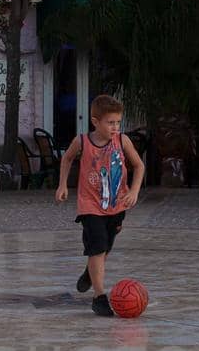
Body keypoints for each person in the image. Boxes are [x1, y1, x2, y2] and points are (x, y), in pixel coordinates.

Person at [55, 94, 145, 316]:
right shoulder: (82, 141)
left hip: (116, 207)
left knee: (105, 248)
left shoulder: (123, 141)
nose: (115, 127)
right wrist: (62, 185)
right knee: (98, 247)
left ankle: (89, 273)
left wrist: (133, 191)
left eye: (117, 122)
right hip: (90, 206)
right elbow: (66, 159)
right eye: (110, 122)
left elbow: (139, 166)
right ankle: (99, 297)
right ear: (95, 121)